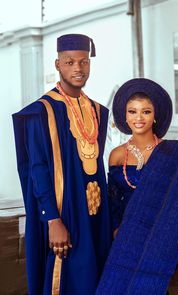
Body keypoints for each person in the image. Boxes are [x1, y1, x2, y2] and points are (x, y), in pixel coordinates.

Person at [96, 78, 178, 295]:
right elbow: (113, 203)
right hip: (130, 237)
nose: (138, 118)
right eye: (132, 111)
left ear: (155, 116)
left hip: (168, 236)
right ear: (124, 115)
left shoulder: (174, 153)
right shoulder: (117, 155)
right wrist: (116, 231)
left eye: (146, 112)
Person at [12, 34, 111, 295]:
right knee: (67, 280)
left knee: (98, 279)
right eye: (69, 62)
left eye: (83, 62)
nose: (78, 69)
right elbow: (38, 169)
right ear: (57, 65)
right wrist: (52, 220)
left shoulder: (97, 110)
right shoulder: (41, 111)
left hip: (96, 211)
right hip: (65, 212)